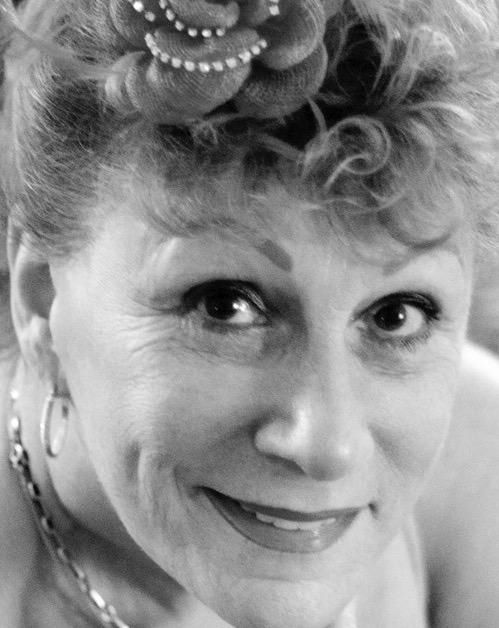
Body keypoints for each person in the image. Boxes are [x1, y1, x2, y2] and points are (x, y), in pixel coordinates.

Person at [1, 0, 499, 626]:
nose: (327, 446)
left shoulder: (482, 472)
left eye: (397, 315)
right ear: (41, 299)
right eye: (226, 307)